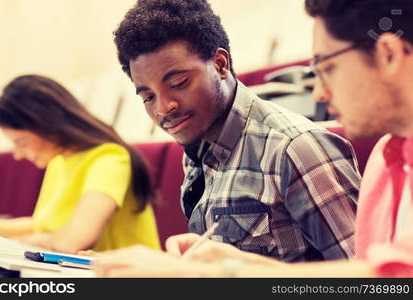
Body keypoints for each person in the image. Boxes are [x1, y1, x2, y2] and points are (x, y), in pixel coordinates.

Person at [92, 0, 413, 277]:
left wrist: (210, 275)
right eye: (147, 97)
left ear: (220, 65)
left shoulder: (296, 146)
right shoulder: (387, 158)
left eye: (325, 68)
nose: (164, 109)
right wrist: (232, 264)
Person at [0, 74, 160, 253]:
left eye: (22, 143)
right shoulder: (58, 162)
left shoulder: (109, 159)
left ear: (46, 125)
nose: (17, 155)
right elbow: (45, 224)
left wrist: (29, 240)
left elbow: (72, 241)